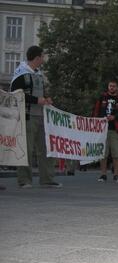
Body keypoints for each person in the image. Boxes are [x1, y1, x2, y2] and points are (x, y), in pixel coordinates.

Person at [10, 45, 62, 188]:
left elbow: (41, 93)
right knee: (26, 149)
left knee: (45, 148)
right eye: (43, 56)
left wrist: (46, 98)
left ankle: (47, 179)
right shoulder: (20, 74)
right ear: (37, 57)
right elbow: (15, 95)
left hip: (42, 116)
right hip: (27, 117)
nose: (44, 59)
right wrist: (36, 100)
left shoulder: (38, 74)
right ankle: (24, 180)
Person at [93, 80, 118, 183]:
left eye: (114, 86)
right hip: (103, 129)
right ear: (108, 87)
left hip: (115, 129)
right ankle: (103, 174)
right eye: (110, 86)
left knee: (116, 153)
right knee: (103, 153)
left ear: (117, 88)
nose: (112, 88)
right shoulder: (102, 97)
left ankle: (116, 175)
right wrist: (97, 122)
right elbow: (95, 111)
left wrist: (115, 117)